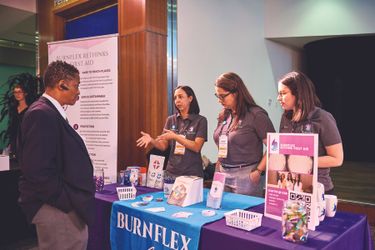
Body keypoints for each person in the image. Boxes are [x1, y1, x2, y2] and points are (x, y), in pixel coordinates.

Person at [17, 61, 95, 250]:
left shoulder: (49, 112)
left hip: (59, 206)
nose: (78, 92)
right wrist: (67, 203)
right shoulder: (42, 114)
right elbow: (37, 170)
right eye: (76, 86)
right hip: (56, 208)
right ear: (62, 84)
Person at [277, 71, 344, 194]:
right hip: (291, 187)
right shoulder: (285, 118)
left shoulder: (322, 117)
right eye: (278, 94)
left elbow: (337, 159)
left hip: (317, 188)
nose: (278, 98)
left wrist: (305, 162)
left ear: (298, 93)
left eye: (283, 93)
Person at [213, 72, 275, 196]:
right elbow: (222, 144)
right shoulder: (225, 115)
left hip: (246, 175)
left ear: (236, 93)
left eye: (222, 96)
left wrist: (259, 171)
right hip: (223, 173)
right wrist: (217, 168)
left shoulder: (256, 115)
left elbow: (275, 147)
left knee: (244, 214)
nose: (219, 100)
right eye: (217, 96)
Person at [137, 85, 207, 178]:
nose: (177, 100)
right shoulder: (171, 120)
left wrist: (175, 137)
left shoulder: (200, 120)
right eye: (175, 98)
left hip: (192, 174)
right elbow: (163, 146)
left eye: (181, 97)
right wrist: (152, 140)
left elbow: (196, 147)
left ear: (190, 98)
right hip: (171, 172)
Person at [0, 73, 40, 164]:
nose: (17, 94)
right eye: (15, 92)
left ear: (25, 93)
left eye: (19, 92)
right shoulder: (13, 108)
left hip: (26, 141)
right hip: (14, 140)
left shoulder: (30, 109)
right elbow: (12, 125)